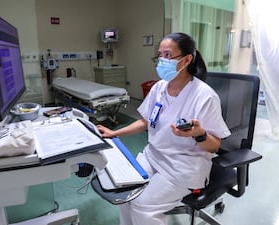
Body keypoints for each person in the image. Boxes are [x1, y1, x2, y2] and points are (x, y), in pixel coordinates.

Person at [97, 32, 231, 225]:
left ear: (186, 59)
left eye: (168, 55)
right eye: (159, 55)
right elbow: (145, 121)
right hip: (153, 156)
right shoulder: (159, 87)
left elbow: (214, 146)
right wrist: (114, 132)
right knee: (124, 195)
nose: (162, 60)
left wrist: (199, 134)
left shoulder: (204, 96)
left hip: (183, 166)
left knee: (143, 206)